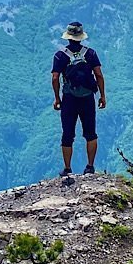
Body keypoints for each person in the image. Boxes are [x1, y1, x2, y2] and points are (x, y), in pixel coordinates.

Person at [51, 21, 106, 176]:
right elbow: (99, 75)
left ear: (68, 37)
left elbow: (55, 78)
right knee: (91, 133)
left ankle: (67, 169)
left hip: (69, 99)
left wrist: (57, 98)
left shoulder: (60, 55)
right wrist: (102, 96)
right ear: (81, 37)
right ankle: (90, 167)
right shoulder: (91, 54)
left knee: (67, 134)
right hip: (87, 98)